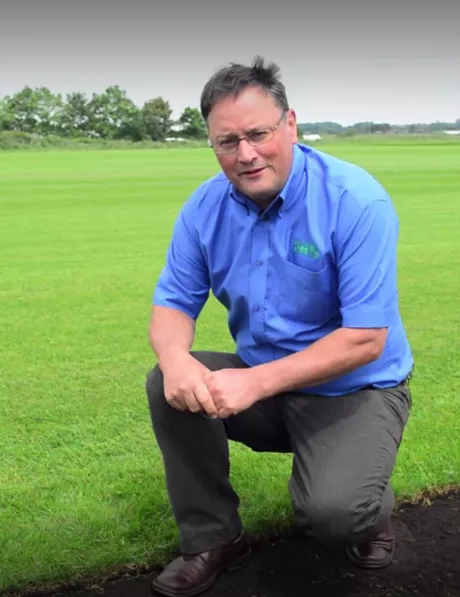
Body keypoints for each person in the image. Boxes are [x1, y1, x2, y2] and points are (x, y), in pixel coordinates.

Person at [145, 56, 414, 597]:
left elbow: (366, 338)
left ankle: (370, 506)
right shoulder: (203, 208)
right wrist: (176, 360)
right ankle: (213, 538)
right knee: (165, 381)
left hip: (354, 387)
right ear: (212, 145)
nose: (245, 154)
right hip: (264, 382)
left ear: (290, 125)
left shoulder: (354, 201)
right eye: (227, 141)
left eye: (258, 134)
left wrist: (255, 383)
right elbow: (173, 303)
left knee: (334, 518)